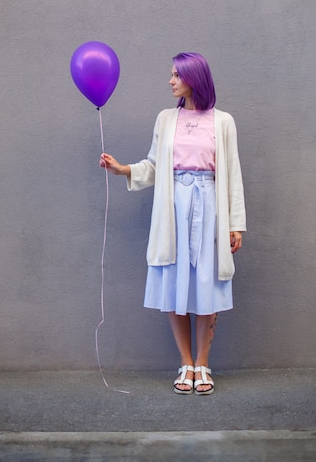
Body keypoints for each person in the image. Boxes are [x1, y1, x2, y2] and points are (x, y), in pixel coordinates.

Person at [99, 52, 246, 395]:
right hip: (173, 208)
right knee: (176, 282)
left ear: (193, 78)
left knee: (206, 284)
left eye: (176, 75)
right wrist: (123, 170)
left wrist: (234, 224)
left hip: (210, 207)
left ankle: (204, 364)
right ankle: (186, 363)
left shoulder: (223, 121)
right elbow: (154, 165)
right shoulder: (166, 119)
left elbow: (232, 174)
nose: (170, 81)